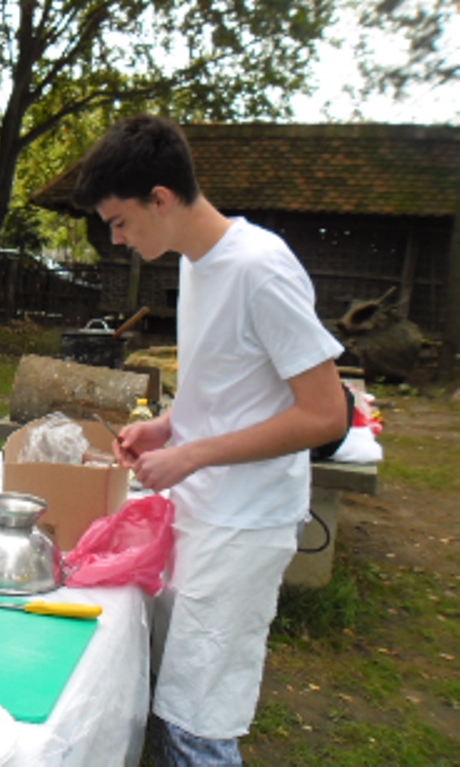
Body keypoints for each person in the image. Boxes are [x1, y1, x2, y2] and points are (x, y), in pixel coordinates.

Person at [71, 115, 348, 766]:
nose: (116, 238)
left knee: (199, 718)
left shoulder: (260, 268)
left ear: (160, 199)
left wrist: (191, 454)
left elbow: (325, 415)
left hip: (245, 521)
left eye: (120, 221)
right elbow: (231, 385)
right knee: (173, 689)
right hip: (198, 509)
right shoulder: (197, 264)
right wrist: (169, 426)